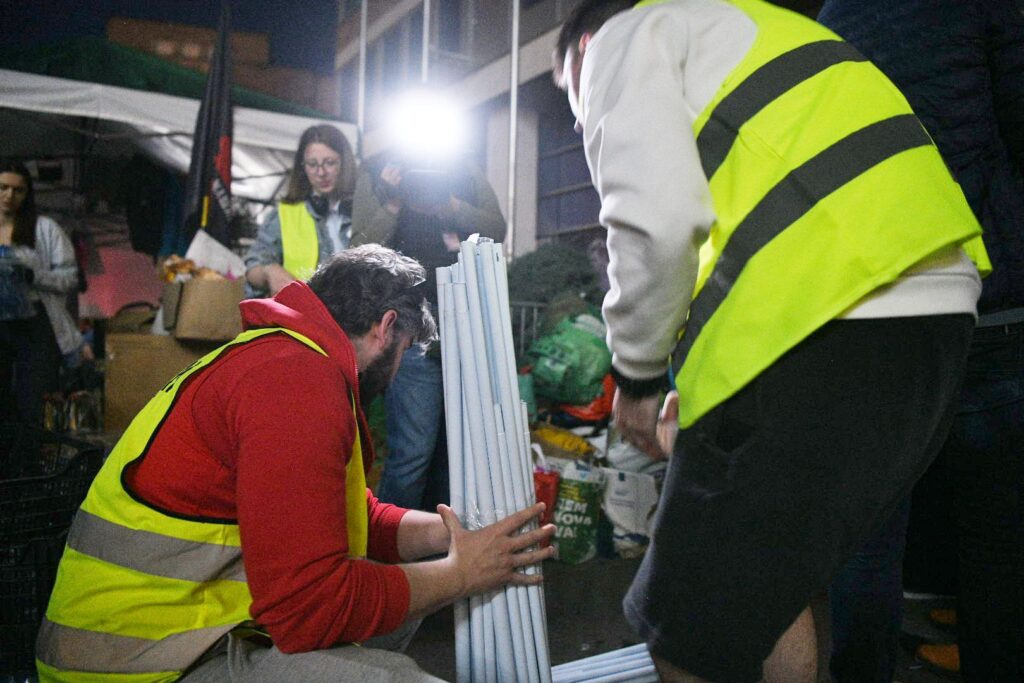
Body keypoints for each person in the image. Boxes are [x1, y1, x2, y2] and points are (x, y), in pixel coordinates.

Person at [553, 1, 991, 681]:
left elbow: (659, 225)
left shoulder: (626, 34)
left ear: (581, 50)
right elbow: (751, 242)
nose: (581, 123)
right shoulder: (762, 31)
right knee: (764, 586)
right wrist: (696, 399)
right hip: (930, 319)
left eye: (571, 102)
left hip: (832, 319)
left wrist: (636, 381)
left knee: (683, 625)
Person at [36, 244, 555, 682]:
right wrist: (461, 574)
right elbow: (311, 610)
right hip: (133, 663)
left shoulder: (287, 357)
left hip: (167, 630)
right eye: (406, 351)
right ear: (386, 327)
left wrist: (456, 534)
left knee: (398, 605)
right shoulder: (295, 380)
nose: (399, 372)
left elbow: (352, 518)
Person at [817, 2, 1024, 680]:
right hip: (984, 298)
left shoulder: (834, 15)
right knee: (998, 543)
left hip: (876, 301)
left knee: (869, 534)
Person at [351, 150, 505, 510]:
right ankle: (390, 550)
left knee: (459, 452)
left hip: (465, 326)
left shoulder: (462, 169)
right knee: (412, 453)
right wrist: (391, 202)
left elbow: (497, 229)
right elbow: (358, 248)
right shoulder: (377, 170)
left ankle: (444, 547)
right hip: (409, 329)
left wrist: (450, 205)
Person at [0, 160, 82, 427]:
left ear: (28, 193)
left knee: (31, 402)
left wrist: (34, 277)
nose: (9, 196)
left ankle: (30, 462)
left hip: (35, 326)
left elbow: (70, 277)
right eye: (3, 188)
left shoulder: (44, 229)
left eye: (18, 190)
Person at [244, 124, 358, 298]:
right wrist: (269, 271)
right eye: (312, 164)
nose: (321, 172)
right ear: (302, 167)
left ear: (345, 162)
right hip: (301, 320)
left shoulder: (363, 211)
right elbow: (253, 266)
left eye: (330, 163)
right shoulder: (284, 214)